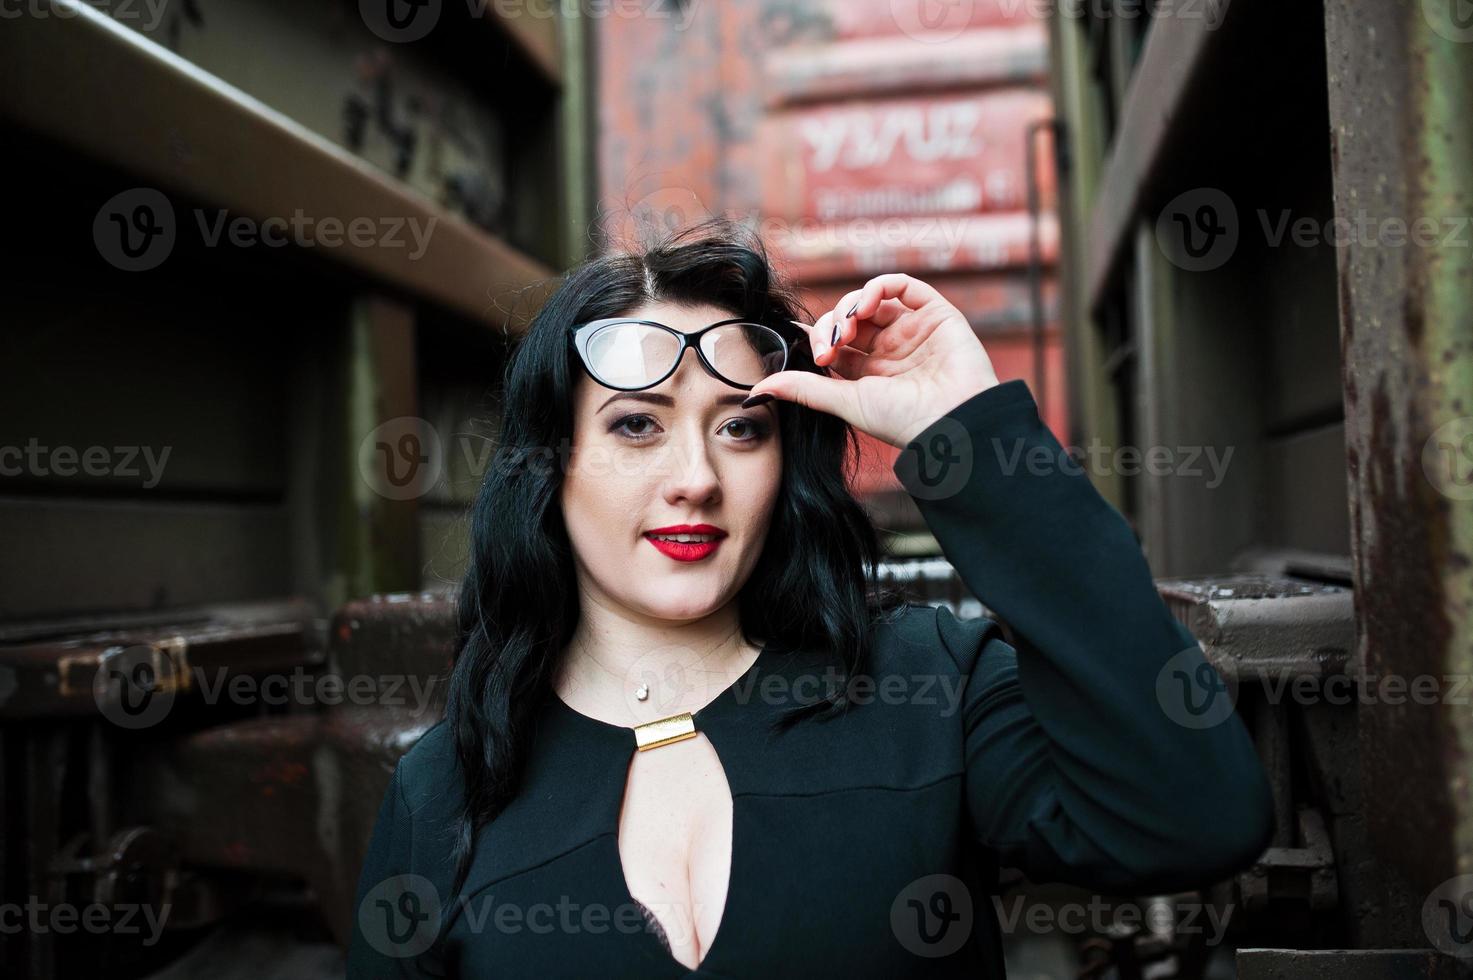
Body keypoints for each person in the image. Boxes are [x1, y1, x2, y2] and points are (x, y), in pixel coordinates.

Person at [346, 217, 1274, 978]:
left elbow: (1195, 816)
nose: (695, 478)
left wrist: (970, 435)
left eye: (741, 428)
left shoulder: (927, 689)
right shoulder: (446, 792)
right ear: (548, 469)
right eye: (637, 425)